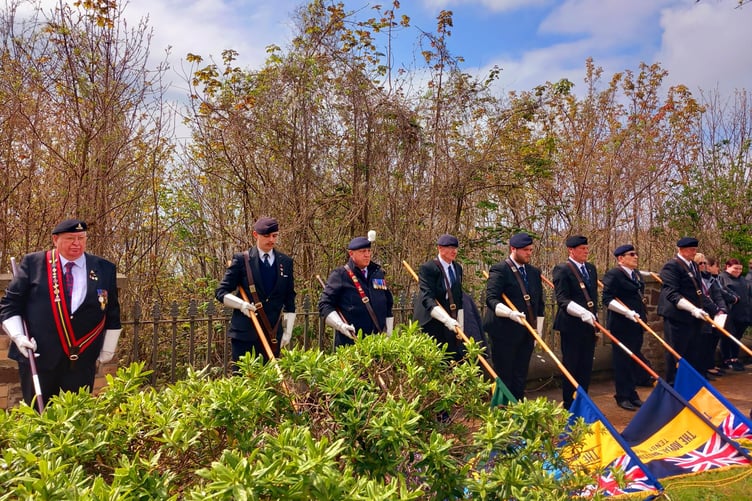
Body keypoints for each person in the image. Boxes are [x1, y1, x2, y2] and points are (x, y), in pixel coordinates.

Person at [0, 219, 121, 408]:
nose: (77, 243)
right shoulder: (35, 263)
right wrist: (17, 336)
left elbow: (112, 310)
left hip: (82, 361)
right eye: (70, 238)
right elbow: (9, 305)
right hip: (39, 358)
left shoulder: (104, 268)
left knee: (76, 419)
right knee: (38, 417)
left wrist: (108, 347)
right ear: (55, 240)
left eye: (81, 238)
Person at [215, 217, 296, 363]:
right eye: (266, 236)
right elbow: (221, 292)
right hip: (244, 334)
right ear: (255, 235)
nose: (271, 240)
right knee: (243, 380)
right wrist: (241, 305)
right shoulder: (242, 260)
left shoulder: (286, 262)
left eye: (275, 235)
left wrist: (287, 332)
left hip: (272, 334)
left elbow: (289, 298)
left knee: (269, 382)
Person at [483, 232, 545, 401]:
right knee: (505, 374)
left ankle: (518, 409)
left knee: (521, 374)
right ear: (513, 249)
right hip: (504, 332)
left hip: (526, 332)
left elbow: (539, 304)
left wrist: (537, 332)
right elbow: (491, 299)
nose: (529, 253)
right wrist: (510, 313)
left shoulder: (533, 272)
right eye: (525, 250)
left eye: (531, 250)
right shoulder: (500, 269)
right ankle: (503, 413)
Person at [657, 237, 720, 384]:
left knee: (693, 352)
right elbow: (672, 294)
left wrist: (714, 309)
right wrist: (693, 309)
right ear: (681, 250)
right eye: (691, 250)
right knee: (676, 353)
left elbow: (698, 292)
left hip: (693, 318)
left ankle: (688, 384)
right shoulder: (671, 266)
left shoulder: (692, 265)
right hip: (677, 317)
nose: (694, 253)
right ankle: (673, 384)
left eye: (695, 250)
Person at [318, 236, 393, 348]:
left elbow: (387, 304)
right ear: (351, 254)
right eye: (362, 251)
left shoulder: (377, 273)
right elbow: (325, 305)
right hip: (351, 343)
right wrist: (340, 325)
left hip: (378, 342)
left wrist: (389, 334)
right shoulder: (340, 275)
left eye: (368, 251)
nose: (367, 254)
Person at [552, 235, 599, 410]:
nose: (586, 252)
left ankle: (583, 399)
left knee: (586, 365)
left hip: (588, 325)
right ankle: (569, 403)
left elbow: (592, 297)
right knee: (571, 364)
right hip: (571, 325)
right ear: (571, 250)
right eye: (582, 249)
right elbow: (562, 300)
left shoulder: (591, 269)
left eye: (586, 248)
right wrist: (582, 313)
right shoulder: (562, 269)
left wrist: (592, 316)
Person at [601, 244, 649, 411]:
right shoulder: (614, 275)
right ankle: (622, 395)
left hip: (636, 323)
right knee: (622, 361)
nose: (635, 257)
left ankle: (632, 392)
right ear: (621, 258)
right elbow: (607, 299)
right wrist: (626, 312)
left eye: (636, 253)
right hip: (621, 325)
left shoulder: (635, 274)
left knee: (633, 358)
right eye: (631, 254)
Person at [413, 234, 465, 361]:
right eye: (450, 248)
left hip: (451, 320)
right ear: (440, 248)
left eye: (456, 248)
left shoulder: (457, 268)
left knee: (454, 357)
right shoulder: (429, 268)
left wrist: (460, 322)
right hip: (432, 321)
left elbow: (458, 296)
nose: (454, 251)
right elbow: (428, 299)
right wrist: (446, 319)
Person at [703, 256, 738, 377]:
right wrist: (717, 309)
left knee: (713, 341)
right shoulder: (706, 279)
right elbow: (709, 296)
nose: (718, 269)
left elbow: (720, 293)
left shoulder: (714, 279)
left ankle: (711, 365)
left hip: (719, 314)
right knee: (707, 343)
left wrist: (722, 309)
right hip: (709, 314)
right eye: (716, 266)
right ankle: (707, 366)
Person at [718, 258, 751, 371]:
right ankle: (727, 359)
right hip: (730, 314)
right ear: (727, 267)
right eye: (735, 268)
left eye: (740, 269)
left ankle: (734, 358)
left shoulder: (742, 279)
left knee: (737, 337)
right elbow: (721, 294)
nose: (738, 271)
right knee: (727, 337)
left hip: (743, 314)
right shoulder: (722, 278)